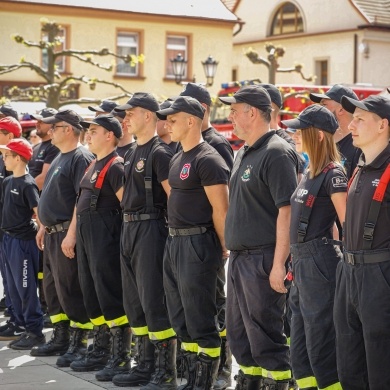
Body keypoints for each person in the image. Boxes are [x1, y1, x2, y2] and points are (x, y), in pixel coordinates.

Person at [220, 85, 298, 390]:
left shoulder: (277, 152)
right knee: (240, 335)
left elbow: (287, 211)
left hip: (263, 258)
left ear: (252, 112)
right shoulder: (243, 153)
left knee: (266, 336)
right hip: (241, 260)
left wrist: (280, 264)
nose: (230, 117)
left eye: (234, 111)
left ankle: (277, 384)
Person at [157, 96, 229, 390]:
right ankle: (189, 380)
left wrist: (224, 247)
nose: (167, 124)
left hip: (198, 244)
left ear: (191, 121)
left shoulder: (208, 159)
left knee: (201, 317)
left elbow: (221, 209)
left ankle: (204, 383)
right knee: (180, 315)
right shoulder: (177, 156)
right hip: (174, 243)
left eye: (173, 120)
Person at [112, 93, 176, 390]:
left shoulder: (159, 153)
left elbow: (174, 198)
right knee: (134, 301)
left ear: (149, 115)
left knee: (153, 300)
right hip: (129, 229)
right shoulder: (131, 152)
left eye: (131, 112)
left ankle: (165, 372)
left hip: (151, 229)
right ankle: (144, 364)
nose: (126, 118)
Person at [282, 105, 347, 390]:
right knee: (300, 346)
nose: (295, 134)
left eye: (301, 129)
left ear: (319, 136)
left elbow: (347, 225)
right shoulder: (310, 171)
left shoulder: (334, 174)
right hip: (302, 263)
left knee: (321, 344)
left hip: (319, 263)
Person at [179, 82, 233, 390]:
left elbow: (222, 199)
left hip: (207, 242)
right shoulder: (187, 143)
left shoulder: (216, 145)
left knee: (214, 304)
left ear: (202, 111)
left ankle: (221, 367)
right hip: (187, 241)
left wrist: (222, 241)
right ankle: (196, 367)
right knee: (194, 306)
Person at [333, 95, 390, 390]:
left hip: (379, 278)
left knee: (381, 366)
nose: (350, 125)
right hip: (349, 273)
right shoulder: (359, 166)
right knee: (349, 363)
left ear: (383, 126)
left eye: (360, 119)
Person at [68, 114, 130, 381]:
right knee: (91, 294)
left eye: (94, 131)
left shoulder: (116, 167)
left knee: (109, 294)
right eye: (88, 131)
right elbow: (78, 204)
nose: (88, 135)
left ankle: (120, 356)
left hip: (105, 238)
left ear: (110, 136)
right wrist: (70, 235)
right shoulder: (91, 165)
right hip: (84, 236)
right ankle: (101, 349)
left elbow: (127, 206)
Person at [30, 110, 94, 367]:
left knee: (70, 289)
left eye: (55, 126)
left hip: (67, 233)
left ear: (69, 129)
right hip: (53, 233)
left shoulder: (80, 157)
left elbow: (82, 199)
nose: (50, 130)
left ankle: (79, 343)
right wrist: (44, 226)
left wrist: (71, 234)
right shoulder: (59, 157)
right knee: (53, 289)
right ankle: (61, 337)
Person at [0, 138, 45, 349]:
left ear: (18, 158)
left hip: (23, 242)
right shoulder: (8, 182)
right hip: (8, 239)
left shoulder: (28, 184)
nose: (4, 159)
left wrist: (41, 231)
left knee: (26, 287)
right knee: (13, 288)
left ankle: (35, 332)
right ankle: (19, 325)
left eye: (7, 156)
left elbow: (39, 213)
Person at [29, 107, 60, 326]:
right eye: (37, 121)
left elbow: (41, 179)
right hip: (36, 213)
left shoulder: (53, 150)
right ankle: (41, 303)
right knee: (41, 268)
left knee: (48, 269)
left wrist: (21, 188)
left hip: (43, 213)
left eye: (43, 121)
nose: (38, 124)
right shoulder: (37, 147)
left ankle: (47, 307)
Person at [0, 117, 23, 339]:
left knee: (17, 280)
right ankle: (13, 317)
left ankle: (20, 321)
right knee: (7, 277)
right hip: (5, 228)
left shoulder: (15, 161)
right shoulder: (3, 159)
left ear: (10, 135)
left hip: (14, 230)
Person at [310, 84, 360, 179]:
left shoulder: (358, 146)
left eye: (324, 105)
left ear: (341, 110)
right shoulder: (322, 139)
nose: (319, 110)